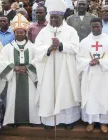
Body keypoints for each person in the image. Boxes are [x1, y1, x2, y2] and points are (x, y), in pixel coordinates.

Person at [34, 0, 81, 130]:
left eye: (56, 17)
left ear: (62, 17)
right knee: (49, 93)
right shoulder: (44, 32)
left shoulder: (71, 31)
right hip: (48, 68)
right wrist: (48, 49)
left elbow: (76, 47)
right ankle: (49, 121)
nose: (53, 19)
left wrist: (61, 45)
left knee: (65, 93)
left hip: (66, 69)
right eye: (52, 17)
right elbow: (37, 49)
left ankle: (68, 121)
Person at [77, 17, 108, 133]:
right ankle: (90, 122)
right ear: (90, 27)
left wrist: (100, 61)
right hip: (89, 75)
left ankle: (103, 123)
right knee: (90, 98)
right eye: (93, 27)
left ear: (102, 27)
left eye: (98, 26)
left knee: (104, 98)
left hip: (104, 75)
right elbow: (79, 58)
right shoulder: (84, 42)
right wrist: (88, 62)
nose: (95, 28)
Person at [0, 13, 41, 127]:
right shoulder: (7, 48)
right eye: (17, 32)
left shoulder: (33, 47)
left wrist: (27, 67)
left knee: (31, 99)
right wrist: (14, 68)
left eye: (21, 32)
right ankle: (13, 120)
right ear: (14, 33)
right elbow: (2, 61)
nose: (19, 34)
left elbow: (38, 60)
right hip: (13, 77)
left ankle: (32, 119)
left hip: (29, 78)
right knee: (12, 99)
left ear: (25, 33)